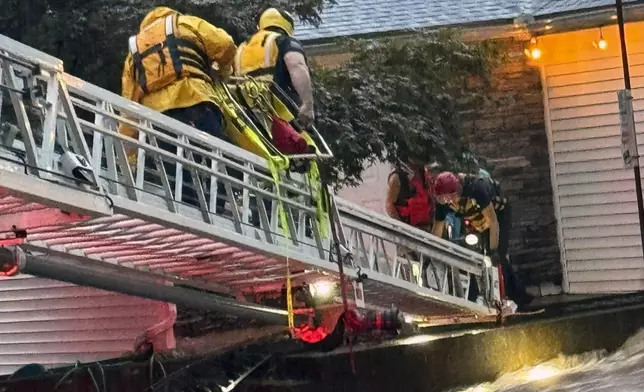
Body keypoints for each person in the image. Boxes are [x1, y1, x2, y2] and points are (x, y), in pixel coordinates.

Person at [119, 6, 237, 211]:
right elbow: (226, 45)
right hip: (199, 100)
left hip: (159, 119)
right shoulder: (186, 23)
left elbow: (129, 108)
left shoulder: (135, 49)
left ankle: (189, 213)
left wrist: (129, 156)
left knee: (178, 180)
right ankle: (216, 211)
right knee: (211, 167)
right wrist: (223, 71)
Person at [431, 171, 533, 310]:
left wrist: (493, 250)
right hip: (476, 220)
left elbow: (493, 221)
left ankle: (516, 297)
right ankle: (473, 298)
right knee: (474, 256)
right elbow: (437, 228)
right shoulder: (443, 203)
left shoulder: (476, 189)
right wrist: (431, 251)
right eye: (442, 199)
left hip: (497, 216)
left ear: (458, 189)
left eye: (451, 196)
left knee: (498, 257)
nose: (448, 201)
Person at [234, 7, 315, 128]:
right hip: (281, 109)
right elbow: (296, 65)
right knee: (304, 144)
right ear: (288, 26)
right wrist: (307, 105)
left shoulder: (241, 48)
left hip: (248, 112)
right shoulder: (284, 41)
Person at [385, 150, 434, 286]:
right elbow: (390, 205)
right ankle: (413, 288)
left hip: (424, 228)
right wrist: (402, 227)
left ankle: (425, 286)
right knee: (410, 264)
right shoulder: (397, 178)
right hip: (406, 229)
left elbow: (429, 198)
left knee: (426, 262)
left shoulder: (424, 174)